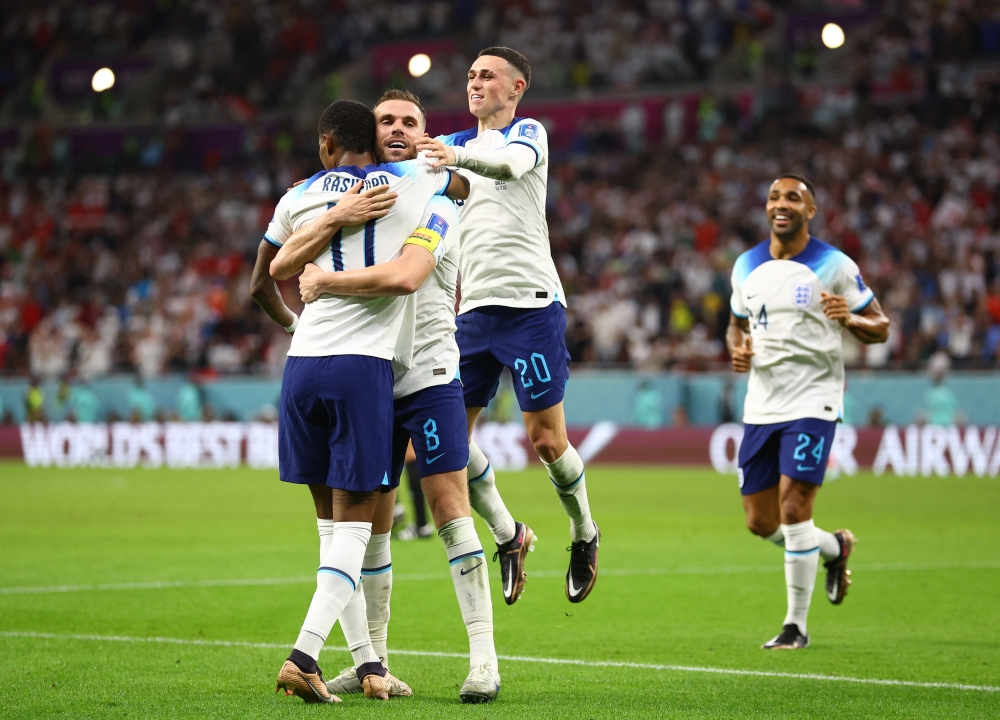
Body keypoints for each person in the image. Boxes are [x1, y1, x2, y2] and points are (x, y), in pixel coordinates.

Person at [289, 89, 500, 703]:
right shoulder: (356, 198)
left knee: (447, 506)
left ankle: (483, 658)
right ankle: (370, 662)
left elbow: (413, 263)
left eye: (413, 121)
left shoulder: (434, 191)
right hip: (372, 375)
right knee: (370, 525)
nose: (400, 129)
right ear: (370, 134)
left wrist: (453, 171)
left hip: (429, 374)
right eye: (388, 122)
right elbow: (280, 258)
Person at [248, 99, 461, 704]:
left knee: (328, 530)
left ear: (324, 145)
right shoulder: (413, 182)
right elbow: (465, 182)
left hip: (301, 368)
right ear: (378, 138)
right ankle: (304, 654)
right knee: (361, 525)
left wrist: (295, 318)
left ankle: (369, 665)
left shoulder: (299, 198)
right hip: (361, 368)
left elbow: (269, 276)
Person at [416, 47, 600, 606]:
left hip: (531, 306)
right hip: (471, 315)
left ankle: (584, 532)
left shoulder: (527, 133)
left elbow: (508, 168)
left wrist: (452, 157)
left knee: (547, 440)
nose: (475, 83)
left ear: (516, 87)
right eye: (470, 74)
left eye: (487, 76)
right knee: (449, 442)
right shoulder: (453, 144)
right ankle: (508, 533)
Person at [726, 174, 890, 650]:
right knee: (760, 521)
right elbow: (736, 327)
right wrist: (739, 350)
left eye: (793, 198)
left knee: (795, 506)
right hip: (762, 403)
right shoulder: (745, 266)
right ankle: (835, 548)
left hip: (814, 399)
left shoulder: (833, 264)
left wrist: (850, 317)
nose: (782, 204)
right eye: (775, 197)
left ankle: (795, 625)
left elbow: (879, 324)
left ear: (810, 211)